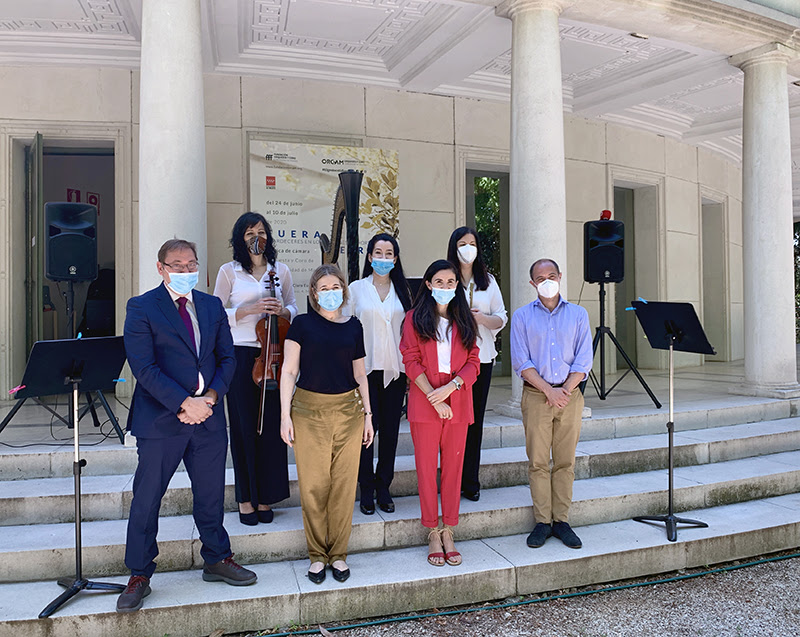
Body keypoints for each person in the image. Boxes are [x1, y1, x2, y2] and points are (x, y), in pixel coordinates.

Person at [117, 239, 256, 614]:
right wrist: (184, 402)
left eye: (191, 264)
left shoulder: (211, 306)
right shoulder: (142, 307)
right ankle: (140, 573)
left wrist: (208, 400)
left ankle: (216, 558)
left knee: (210, 493)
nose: (185, 271)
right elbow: (143, 367)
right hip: (161, 419)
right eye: (176, 265)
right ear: (160, 268)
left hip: (208, 418)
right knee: (148, 498)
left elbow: (227, 358)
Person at [279, 264, 374, 584]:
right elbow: (289, 372)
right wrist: (284, 415)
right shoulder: (302, 325)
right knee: (313, 485)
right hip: (308, 412)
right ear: (314, 293)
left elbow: (360, 374)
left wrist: (369, 417)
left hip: (349, 411)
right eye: (324, 288)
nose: (331, 293)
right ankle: (317, 555)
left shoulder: (354, 327)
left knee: (345, 486)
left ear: (344, 290)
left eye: (336, 287)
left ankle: (339, 554)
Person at [213, 212, 297, 526]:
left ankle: (266, 496)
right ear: (240, 237)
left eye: (261, 231)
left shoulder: (280, 270)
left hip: (273, 353)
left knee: (271, 429)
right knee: (244, 426)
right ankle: (246, 499)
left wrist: (283, 310)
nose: (256, 237)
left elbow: (294, 306)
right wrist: (247, 309)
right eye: (250, 232)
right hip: (240, 354)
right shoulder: (229, 271)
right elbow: (214, 313)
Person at [400, 259, 479, 567]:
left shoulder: (466, 320)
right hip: (426, 403)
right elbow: (410, 359)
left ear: (457, 286)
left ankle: (449, 529)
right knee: (425, 468)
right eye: (439, 282)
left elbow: (474, 360)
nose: (445, 287)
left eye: (451, 282)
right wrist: (436, 398)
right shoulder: (413, 319)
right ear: (429, 285)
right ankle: (433, 530)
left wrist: (451, 389)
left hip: (458, 402)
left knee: (453, 469)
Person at [510, 258, 592, 550]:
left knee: (565, 461)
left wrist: (564, 390)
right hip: (536, 395)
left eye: (551, 275)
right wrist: (548, 390)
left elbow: (584, 360)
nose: (547, 281)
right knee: (538, 461)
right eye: (540, 277)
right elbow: (521, 361)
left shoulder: (579, 315)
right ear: (532, 283)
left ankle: (562, 521)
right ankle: (542, 521)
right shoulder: (521, 317)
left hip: (570, 397)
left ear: (560, 277)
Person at [345, 233, 412, 516]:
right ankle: (366, 488)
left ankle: (384, 485)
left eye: (389, 254)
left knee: (390, 433)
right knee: (365, 432)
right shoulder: (356, 289)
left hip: (395, 372)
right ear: (369, 256)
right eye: (378, 253)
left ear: (395, 259)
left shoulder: (403, 291)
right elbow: (346, 328)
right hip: (364, 371)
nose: (383, 259)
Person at [447, 226, 507, 502]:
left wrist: (481, 319)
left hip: (481, 359)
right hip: (451, 362)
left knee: (475, 421)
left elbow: (501, 318)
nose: (468, 248)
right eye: (462, 243)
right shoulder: (445, 278)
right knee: (452, 422)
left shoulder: (489, 281)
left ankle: (470, 479)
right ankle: (450, 476)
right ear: (454, 247)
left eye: (472, 243)